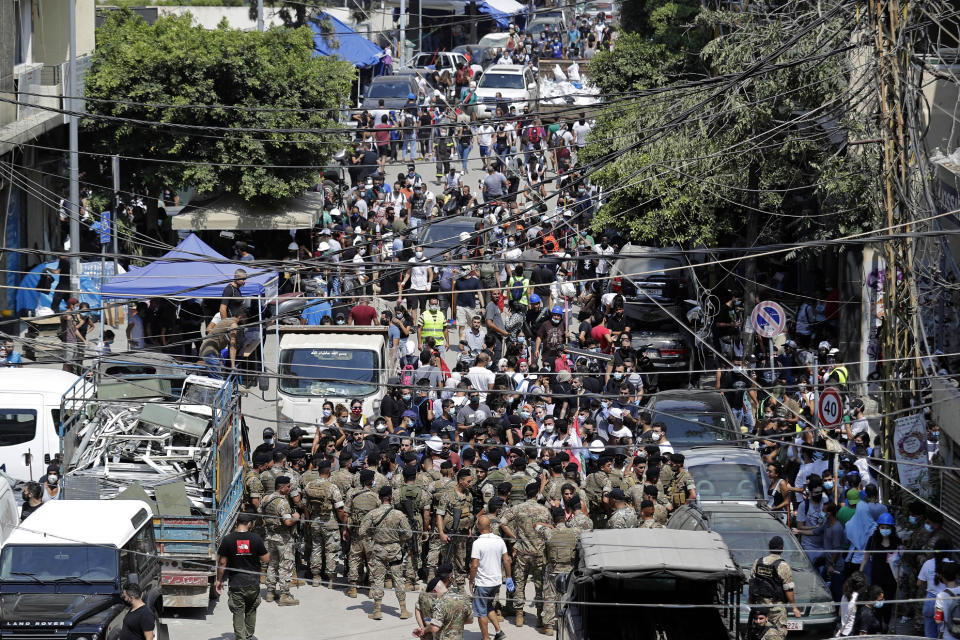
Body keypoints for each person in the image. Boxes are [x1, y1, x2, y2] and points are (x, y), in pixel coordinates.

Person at [360, 485, 413, 620]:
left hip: (378, 551)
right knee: (398, 579)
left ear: (379, 498)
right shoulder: (399, 514)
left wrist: (373, 535)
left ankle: (377, 610)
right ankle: (403, 610)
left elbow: (361, 531)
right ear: (391, 497)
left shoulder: (372, 514)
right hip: (395, 550)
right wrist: (398, 538)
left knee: (378, 579)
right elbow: (408, 534)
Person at [216, 513, 270, 640]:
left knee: (238, 612)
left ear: (236, 522)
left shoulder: (228, 539)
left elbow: (222, 562)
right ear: (249, 524)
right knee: (251, 610)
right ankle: (248, 636)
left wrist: (218, 580)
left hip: (236, 583)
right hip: (253, 583)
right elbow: (266, 559)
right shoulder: (256, 538)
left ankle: (241, 638)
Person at [749, 536, 802, 638]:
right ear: (782, 548)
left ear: (769, 547)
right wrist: (794, 608)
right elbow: (788, 589)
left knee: (760, 634)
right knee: (778, 634)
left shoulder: (757, 562)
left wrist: (751, 603)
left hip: (760, 607)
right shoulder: (783, 565)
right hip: (776, 609)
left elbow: (752, 585)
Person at [258, 475, 300, 606]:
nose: (289, 489)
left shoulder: (266, 498)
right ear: (282, 488)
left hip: (270, 536)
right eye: (288, 486)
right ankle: (284, 595)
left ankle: (270, 592)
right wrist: (296, 518)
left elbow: (260, 513)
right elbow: (288, 521)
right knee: (285, 565)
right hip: (283, 538)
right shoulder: (283, 502)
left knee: (272, 564)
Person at [470, 514, 511, 640]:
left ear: (478, 527)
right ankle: (499, 632)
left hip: (483, 583)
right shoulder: (499, 540)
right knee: (488, 606)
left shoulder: (477, 543)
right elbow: (506, 560)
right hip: (496, 582)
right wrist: (508, 576)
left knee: (481, 612)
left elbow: (474, 565)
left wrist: (471, 581)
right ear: (490, 526)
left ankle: (486, 638)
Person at [429, 567, 474, 639]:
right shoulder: (463, 599)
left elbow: (435, 628)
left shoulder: (439, 603)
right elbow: (470, 620)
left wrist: (425, 628)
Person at [934, 562, 960, 640]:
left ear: (943, 577)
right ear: (957, 576)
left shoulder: (941, 596)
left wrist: (936, 613)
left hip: (949, 636)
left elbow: (938, 620)